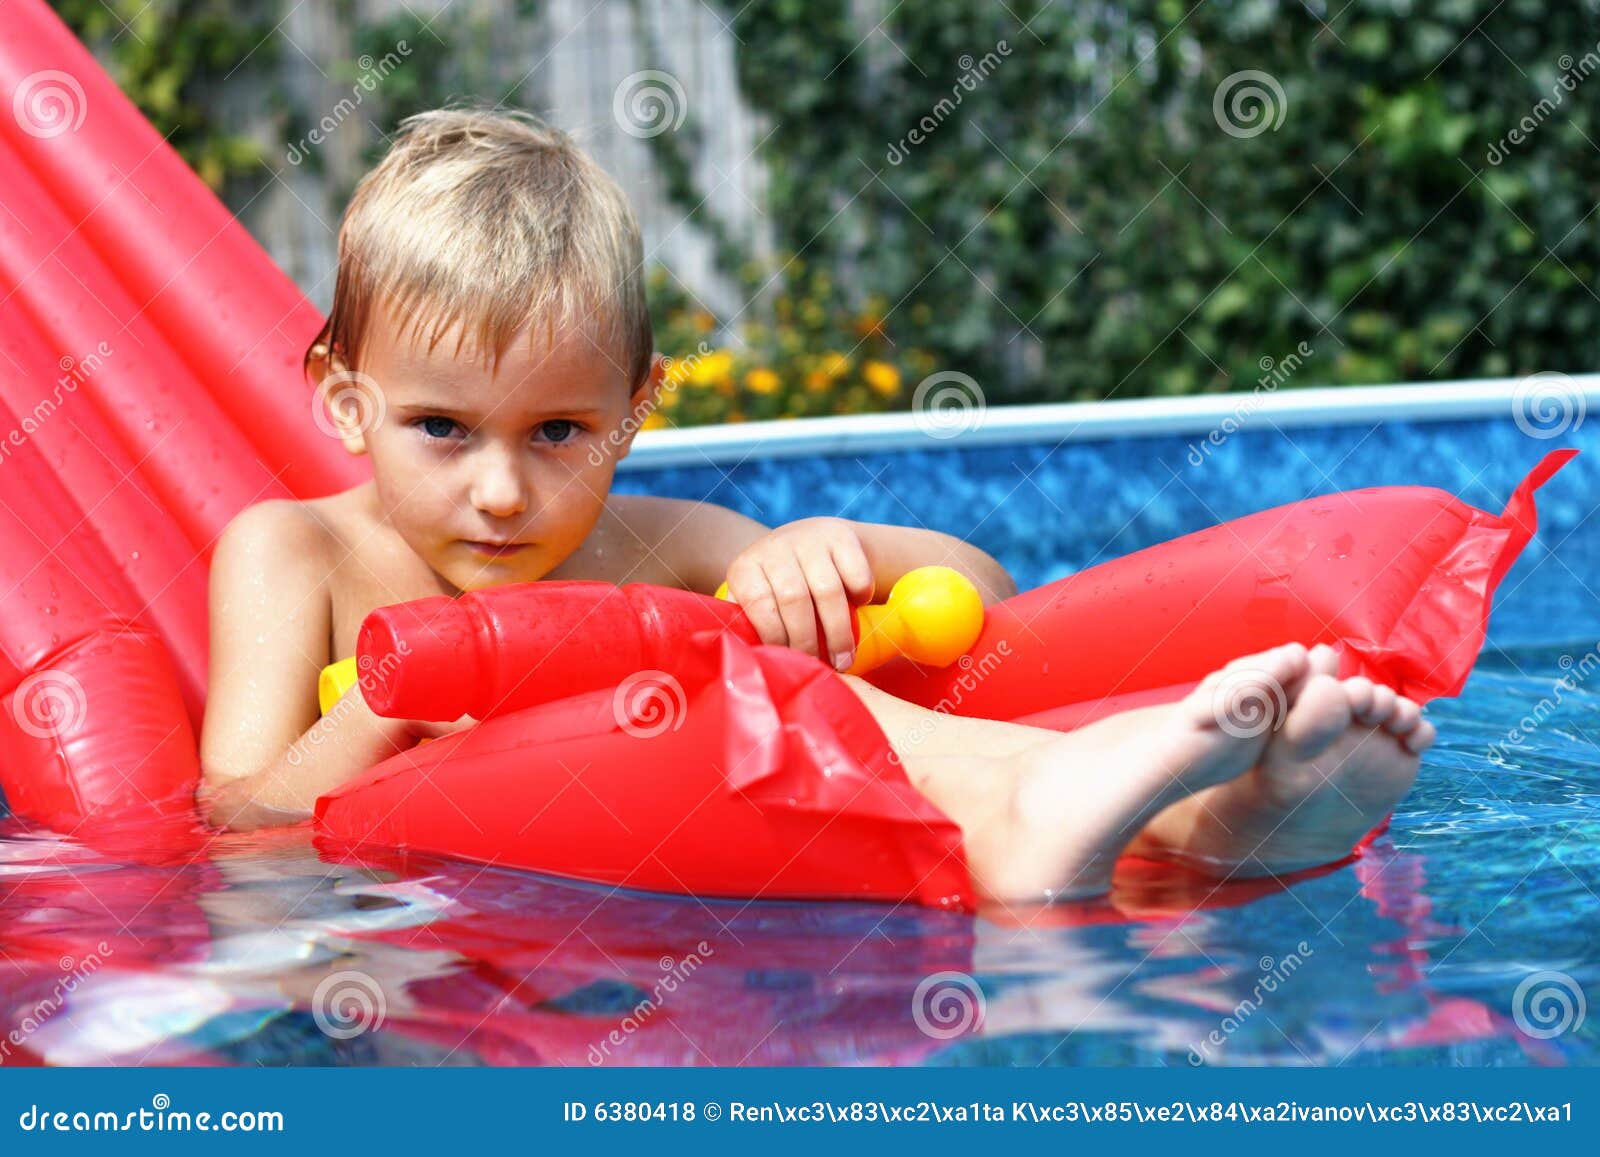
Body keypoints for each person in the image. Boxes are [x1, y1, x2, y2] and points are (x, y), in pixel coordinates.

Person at [198, 108, 1434, 906]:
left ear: (634, 409)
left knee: (804, 685)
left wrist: (828, 550)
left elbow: (981, 603)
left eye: (561, 431)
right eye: (441, 429)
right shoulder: (296, 553)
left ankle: (1214, 815)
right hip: (435, 940)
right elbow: (239, 819)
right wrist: (391, 699)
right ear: (346, 402)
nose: (505, 488)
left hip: (661, 857)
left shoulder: (655, 541)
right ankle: (1076, 814)